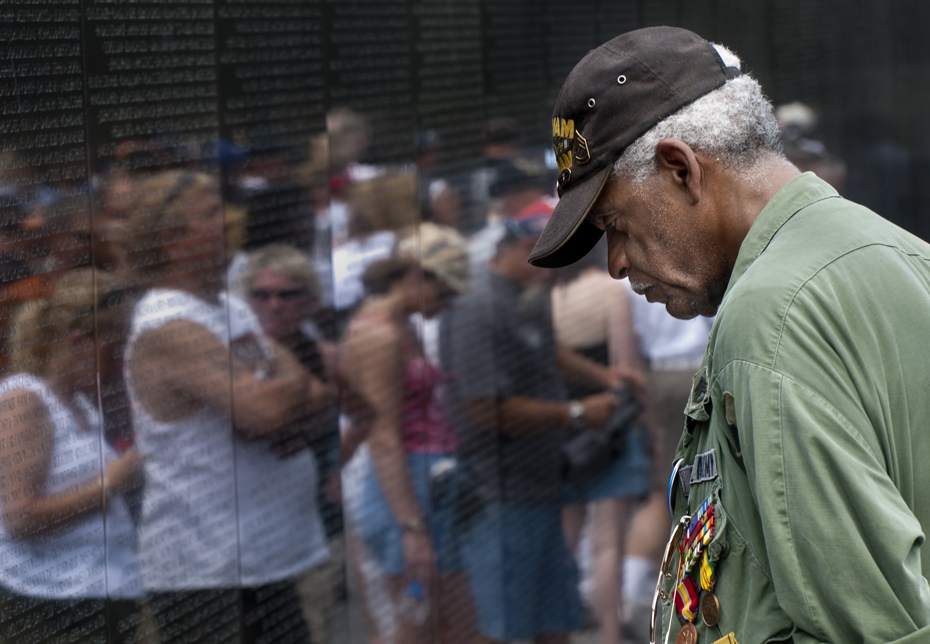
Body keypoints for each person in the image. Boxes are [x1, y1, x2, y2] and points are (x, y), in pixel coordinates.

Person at [528, 25, 930, 644]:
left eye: (615, 224)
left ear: (681, 169)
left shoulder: (769, 317)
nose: (615, 264)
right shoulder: (902, 253)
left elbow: (863, 630)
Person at [121, 170, 330, 644]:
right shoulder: (169, 323)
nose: (230, 220)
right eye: (210, 213)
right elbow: (265, 412)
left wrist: (287, 388)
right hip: (209, 572)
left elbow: (318, 401)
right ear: (171, 240)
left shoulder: (228, 308)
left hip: (258, 560)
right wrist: (292, 378)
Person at [442, 214, 642, 644]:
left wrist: (604, 377)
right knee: (506, 627)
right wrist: (575, 414)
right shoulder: (478, 307)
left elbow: (544, 351)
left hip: (542, 484)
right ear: (518, 251)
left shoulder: (525, 295)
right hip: (500, 491)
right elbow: (483, 410)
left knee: (555, 622)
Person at [340, 223, 477, 644]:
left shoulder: (403, 325)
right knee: (417, 626)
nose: (448, 304)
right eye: (445, 291)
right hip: (408, 493)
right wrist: (412, 529)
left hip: (429, 482)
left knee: (448, 625)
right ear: (416, 275)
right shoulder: (379, 335)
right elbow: (382, 438)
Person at [0, 269, 144, 644]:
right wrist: (111, 484)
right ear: (81, 341)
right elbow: (21, 517)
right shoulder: (24, 398)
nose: (119, 365)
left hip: (102, 599)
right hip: (52, 609)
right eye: (114, 351)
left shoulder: (81, 405)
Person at [551, 238, 652, 644]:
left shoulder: (553, 297)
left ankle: (556, 631)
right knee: (608, 543)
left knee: (566, 539)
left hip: (565, 432)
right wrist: (651, 431)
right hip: (610, 430)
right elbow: (625, 368)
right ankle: (610, 635)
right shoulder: (611, 291)